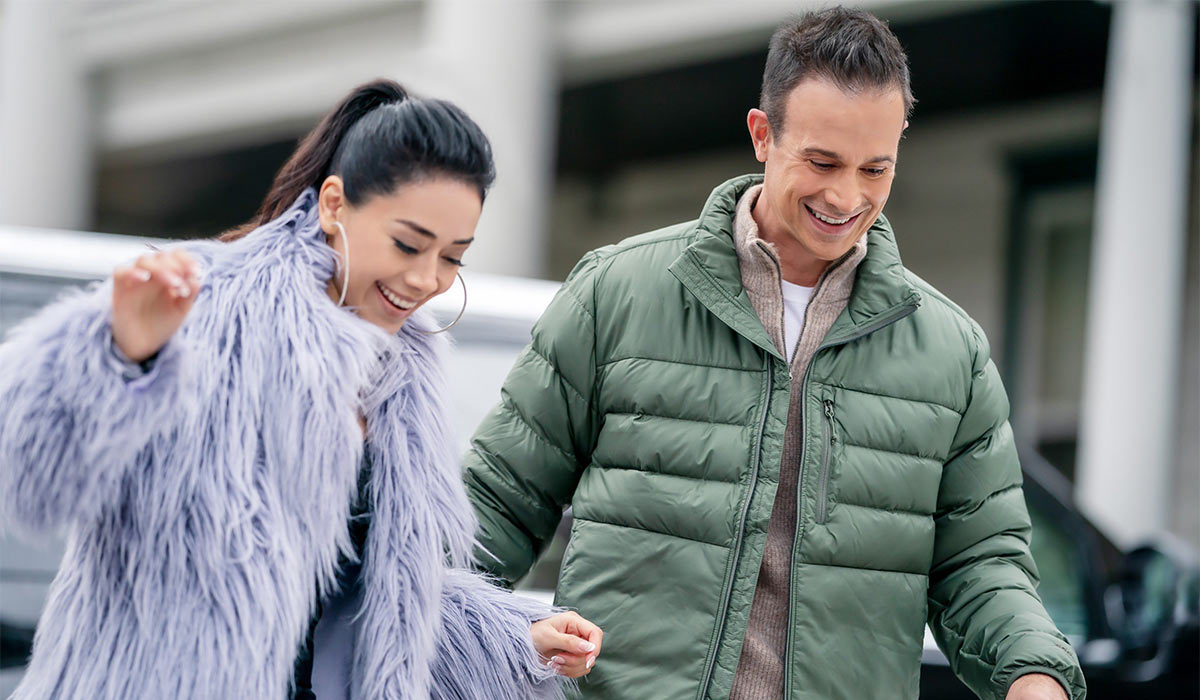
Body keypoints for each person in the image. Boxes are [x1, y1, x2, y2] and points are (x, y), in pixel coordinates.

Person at [463, 7, 1084, 700]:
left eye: (875, 169)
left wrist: (1035, 673)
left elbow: (982, 565)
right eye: (822, 162)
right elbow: (495, 505)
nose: (847, 196)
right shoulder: (616, 293)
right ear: (762, 134)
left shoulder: (951, 353)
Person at [0, 79, 601, 700]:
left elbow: (370, 595)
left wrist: (511, 637)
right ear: (334, 205)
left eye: (453, 258)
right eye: (408, 244)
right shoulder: (206, 308)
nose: (427, 279)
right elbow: (32, 480)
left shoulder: (403, 373)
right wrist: (123, 356)